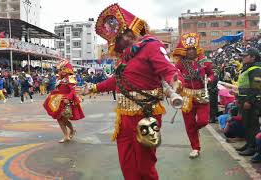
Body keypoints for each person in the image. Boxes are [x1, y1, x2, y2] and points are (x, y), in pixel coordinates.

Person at [83, 4, 182, 180]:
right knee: (127, 164)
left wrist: (174, 83)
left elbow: (169, 70)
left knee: (145, 166)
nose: (126, 40)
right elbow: (116, 80)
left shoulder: (151, 46)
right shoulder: (123, 59)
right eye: (120, 39)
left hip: (146, 113)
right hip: (124, 117)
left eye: (127, 34)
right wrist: (93, 88)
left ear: (134, 31)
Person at [173, 33, 215, 158]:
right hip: (186, 95)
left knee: (203, 121)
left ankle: (195, 130)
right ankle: (195, 148)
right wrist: (177, 83)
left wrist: (210, 80)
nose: (191, 51)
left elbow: (212, 74)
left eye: (192, 49)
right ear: (185, 50)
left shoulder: (204, 62)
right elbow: (174, 75)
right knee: (189, 124)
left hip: (202, 94)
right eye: (188, 49)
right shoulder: (180, 63)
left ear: (196, 49)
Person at [43, 60, 85, 143]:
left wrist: (68, 99)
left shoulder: (70, 78)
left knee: (64, 119)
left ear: (68, 69)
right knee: (59, 119)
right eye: (61, 69)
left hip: (66, 102)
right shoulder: (59, 79)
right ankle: (66, 136)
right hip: (59, 101)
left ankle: (72, 131)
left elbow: (73, 91)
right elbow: (58, 90)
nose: (62, 71)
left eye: (63, 69)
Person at [236, 48, 261, 156]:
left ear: (253, 57)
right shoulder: (248, 68)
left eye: (246, 56)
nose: (243, 57)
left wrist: (249, 101)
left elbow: (256, 87)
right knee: (246, 124)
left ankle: (253, 147)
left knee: (252, 125)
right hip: (244, 101)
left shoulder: (256, 69)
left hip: (251, 102)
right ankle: (249, 143)